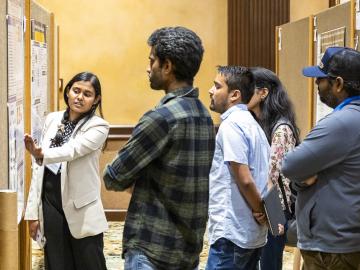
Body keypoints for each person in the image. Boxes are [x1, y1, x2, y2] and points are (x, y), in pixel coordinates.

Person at [103, 26, 215, 270]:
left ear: (167, 66)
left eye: (152, 60)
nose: (148, 67)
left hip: (152, 247)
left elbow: (113, 177)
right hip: (188, 248)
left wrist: (141, 175)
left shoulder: (161, 117)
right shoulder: (203, 114)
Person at [282, 46, 360, 270]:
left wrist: (300, 180)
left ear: (338, 84)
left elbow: (290, 165)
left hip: (334, 247)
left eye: (321, 79)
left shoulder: (340, 123)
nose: (317, 84)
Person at [24, 72, 109, 270]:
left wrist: (41, 153)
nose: (79, 97)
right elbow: (37, 172)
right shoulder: (52, 119)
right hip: (51, 204)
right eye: (76, 90)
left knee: (90, 264)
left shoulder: (99, 126)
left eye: (87, 94)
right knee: (57, 263)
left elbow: (73, 150)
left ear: (96, 100)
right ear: (68, 92)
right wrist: (32, 214)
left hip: (82, 208)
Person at [205, 66, 269, 270]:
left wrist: (260, 209)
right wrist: (263, 211)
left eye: (217, 86)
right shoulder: (254, 126)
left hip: (232, 232)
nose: (210, 91)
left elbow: (245, 178)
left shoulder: (232, 125)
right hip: (250, 232)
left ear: (234, 95)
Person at [247, 67, 300, 270]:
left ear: (263, 92)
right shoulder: (256, 123)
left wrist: (263, 211)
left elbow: (272, 178)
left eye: (247, 87)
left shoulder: (281, 128)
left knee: (269, 264)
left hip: (273, 208)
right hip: (259, 206)